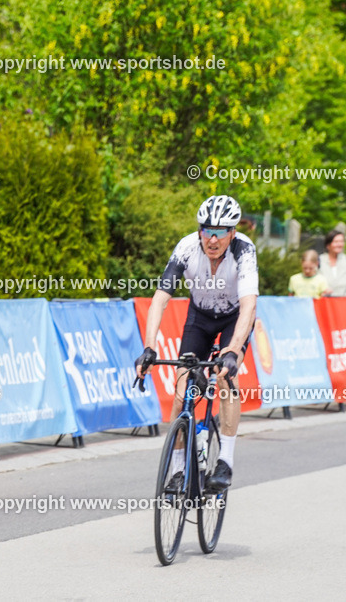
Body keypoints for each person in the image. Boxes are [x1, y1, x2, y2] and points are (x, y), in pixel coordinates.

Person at [135, 195, 258, 492]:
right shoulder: (186, 248)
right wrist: (149, 347)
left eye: (220, 232)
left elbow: (249, 306)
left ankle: (225, 460)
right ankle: (177, 471)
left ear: (232, 232)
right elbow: (159, 300)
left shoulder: (245, 251)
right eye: (207, 230)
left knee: (227, 377)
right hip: (200, 318)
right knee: (182, 390)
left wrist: (231, 351)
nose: (212, 239)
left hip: (233, 320)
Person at [318, 230, 346, 297]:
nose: (339, 244)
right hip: (325, 302)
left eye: (341, 241)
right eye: (336, 242)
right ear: (328, 245)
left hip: (344, 301)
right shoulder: (319, 260)